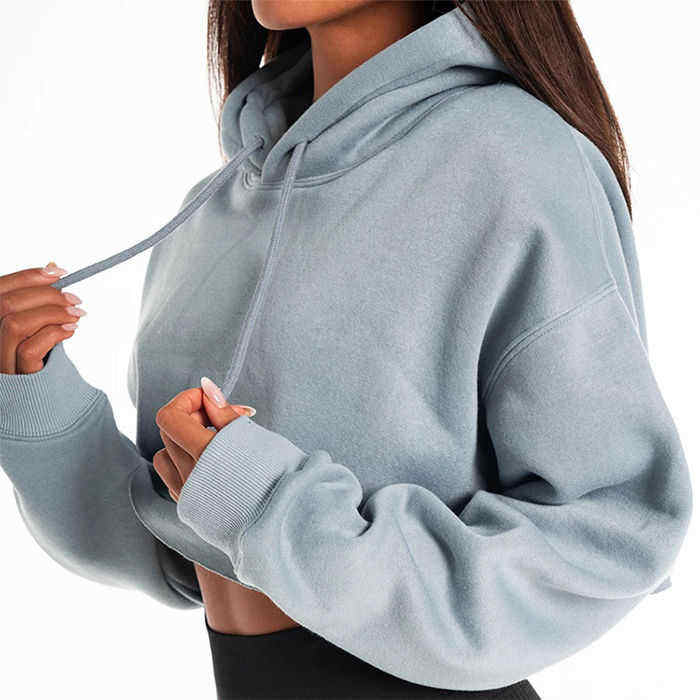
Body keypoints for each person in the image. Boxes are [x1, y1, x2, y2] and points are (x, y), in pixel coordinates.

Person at [0, 1, 693, 698]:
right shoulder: (218, 205)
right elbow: (173, 543)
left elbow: (611, 527)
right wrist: (32, 391)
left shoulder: (516, 160)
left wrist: (268, 501)